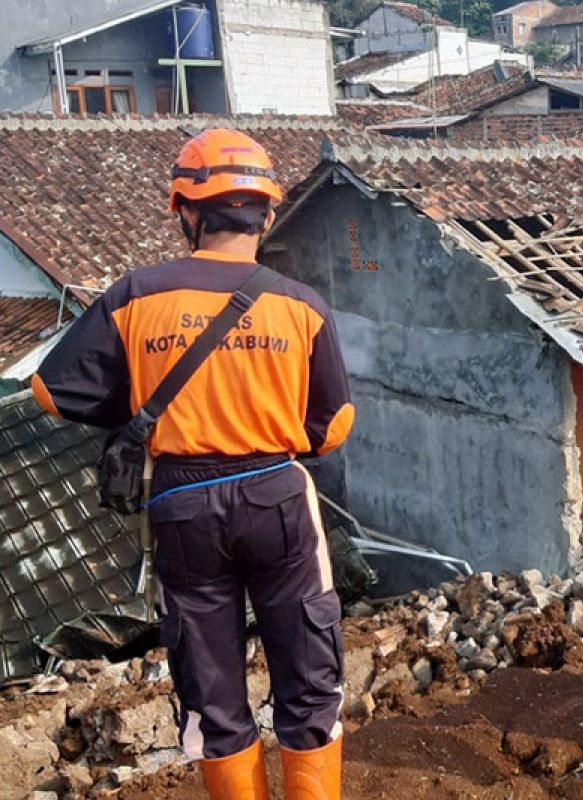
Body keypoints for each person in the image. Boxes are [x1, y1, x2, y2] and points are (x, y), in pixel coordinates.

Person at [32, 129, 355, 800]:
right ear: (265, 215)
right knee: (309, 678)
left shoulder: (134, 296)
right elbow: (332, 429)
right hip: (276, 498)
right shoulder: (302, 306)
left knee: (211, 692)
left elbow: (51, 391)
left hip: (180, 505)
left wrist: (145, 410)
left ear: (185, 209)